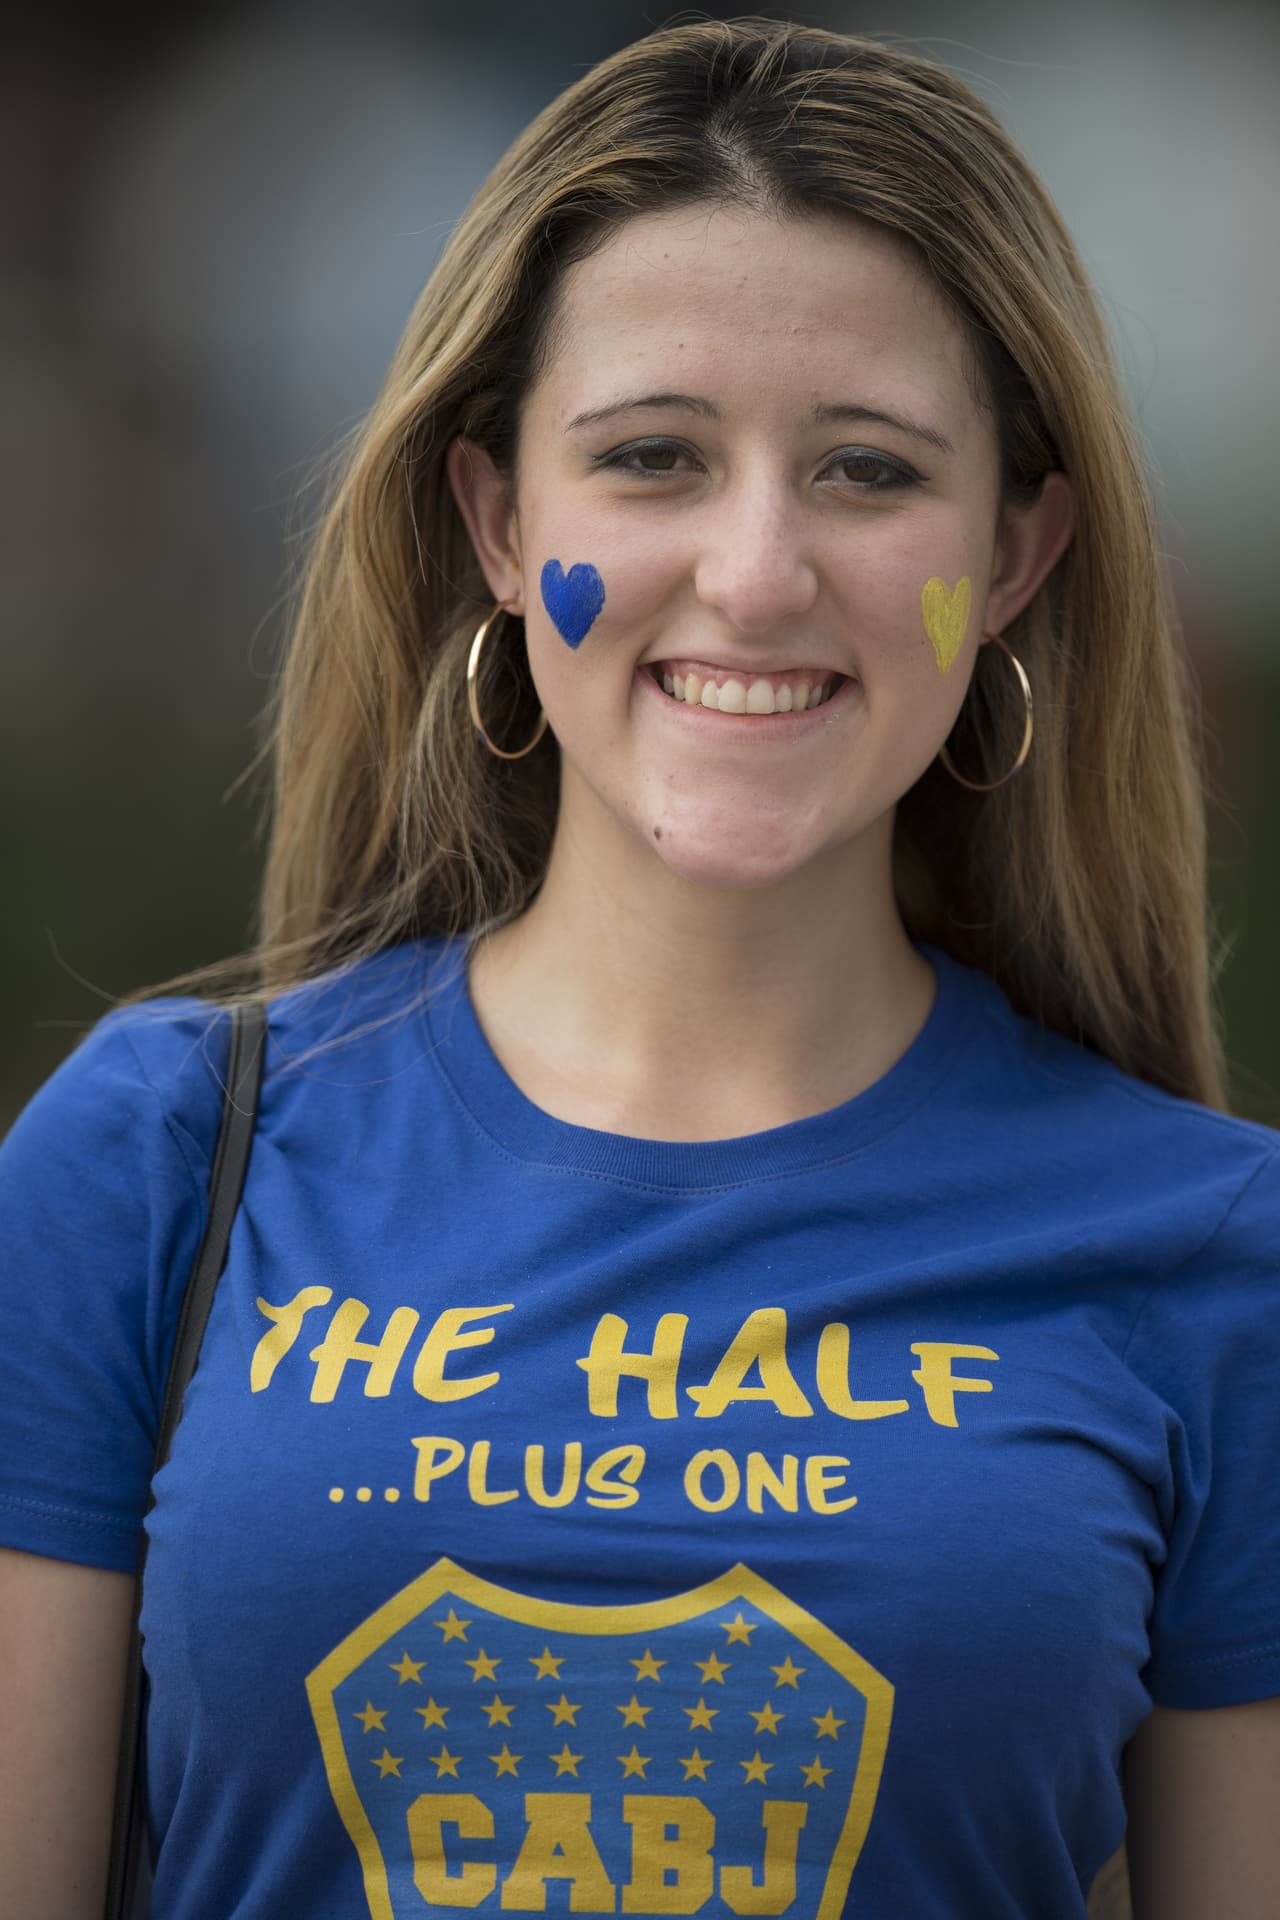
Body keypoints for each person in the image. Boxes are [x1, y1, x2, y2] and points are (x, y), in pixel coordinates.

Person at [1, 17, 1277, 1919]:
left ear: (1014, 554)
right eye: (653, 458)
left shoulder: (1215, 1259)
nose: (755, 573)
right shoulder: (158, 1166)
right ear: (502, 524)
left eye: (865, 471)